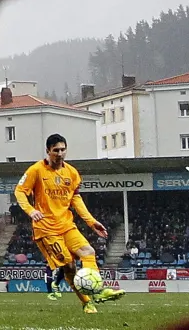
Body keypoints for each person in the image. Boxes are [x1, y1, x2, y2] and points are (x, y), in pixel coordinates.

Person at [13, 133, 125, 315]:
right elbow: (19, 191)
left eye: (63, 149)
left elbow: (76, 198)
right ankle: (87, 302)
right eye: (56, 150)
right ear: (48, 151)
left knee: (89, 252)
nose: (60, 153)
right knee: (69, 265)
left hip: (66, 225)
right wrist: (30, 210)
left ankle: (99, 291)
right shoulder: (36, 170)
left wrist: (91, 222)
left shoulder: (72, 173)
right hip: (46, 229)